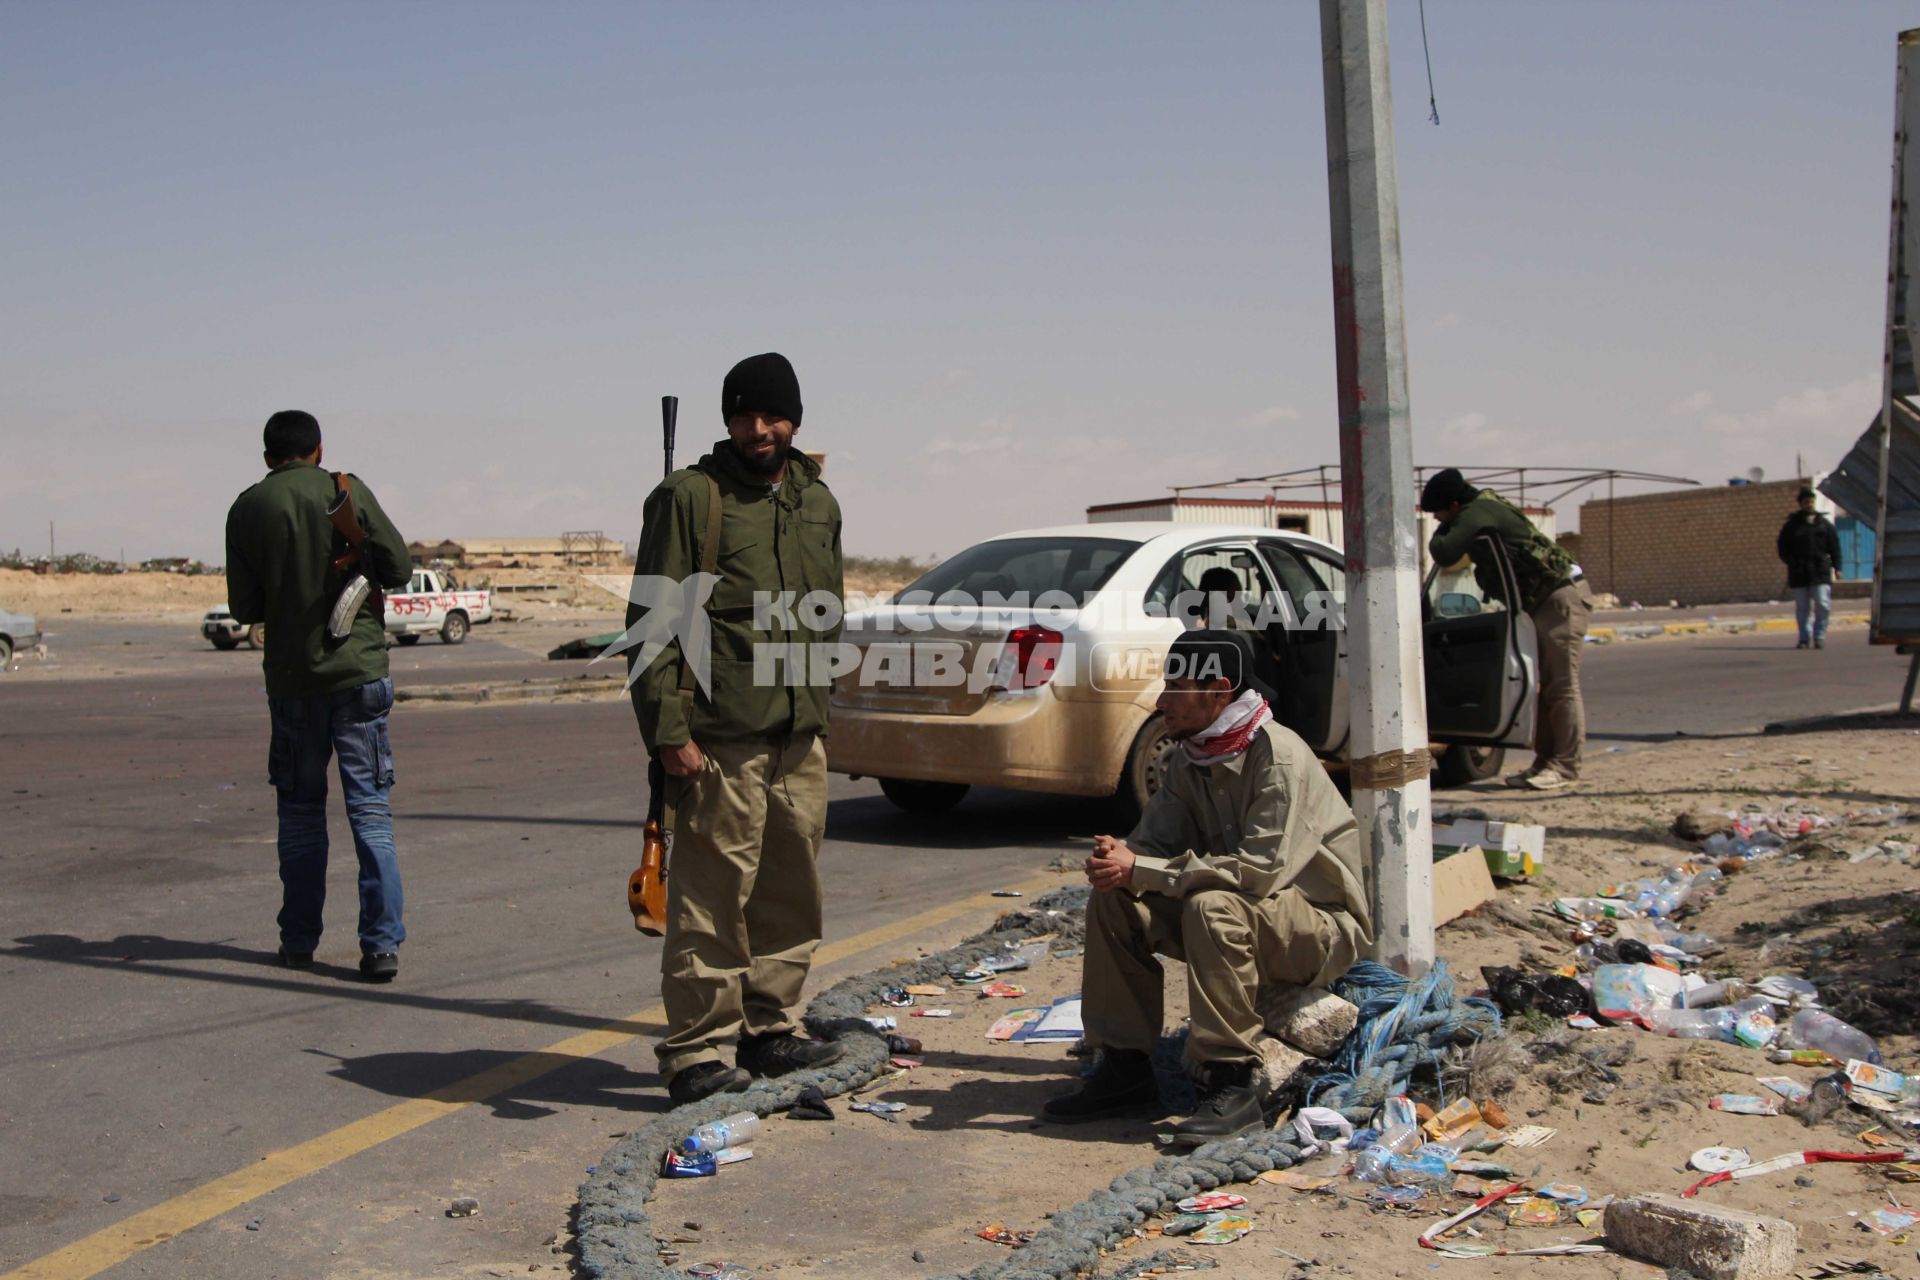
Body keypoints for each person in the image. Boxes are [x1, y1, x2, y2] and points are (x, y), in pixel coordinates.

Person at [1042, 630, 1372, 1145]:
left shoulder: (1277, 756)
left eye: (1175, 688)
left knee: (1213, 905)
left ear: (1219, 690)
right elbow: (1151, 846)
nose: (1161, 701)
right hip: (1245, 916)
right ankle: (1124, 1070)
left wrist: (1144, 870)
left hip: (1318, 929)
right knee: (1116, 900)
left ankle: (1232, 1083)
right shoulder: (1190, 758)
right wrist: (1117, 861)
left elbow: (1259, 874)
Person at [627, 352, 847, 1105]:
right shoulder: (691, 499)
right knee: (710, 900)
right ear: (727, 420)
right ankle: (695, 1052)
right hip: (718, 741)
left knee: (790, 894)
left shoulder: (818, 502)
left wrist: (817, 715)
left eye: (773, 415)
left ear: (796, 419)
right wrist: (666, 731)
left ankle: (771, 1026)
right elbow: (654, 621)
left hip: (798, 737)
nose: (759, 429)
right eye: (745, 416)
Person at [224, 410, 413, 981]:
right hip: (358, 674)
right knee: (371, 814)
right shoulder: (344, 491)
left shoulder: (247, 507)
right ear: (319, 449)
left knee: (301, 815)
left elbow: (244, 609)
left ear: (266, 458)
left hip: (293, 680)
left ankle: (299, 940)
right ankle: (380, 947)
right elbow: (399, 568)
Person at [1420, 468, 1591, 791]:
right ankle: (1544, 763)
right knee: (1541, 690)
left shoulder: (1477, 512)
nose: (1437, 520)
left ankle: (1566, 766)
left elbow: (1444, 551)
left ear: (1454, 506)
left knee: (1561, 688)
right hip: (1538, 603)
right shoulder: (1477, 510)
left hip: (1559, 598)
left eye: (1439, 514)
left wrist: (1445, 528)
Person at [1777, 486, 1842, 650]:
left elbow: (1834, 547)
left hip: (1819, 571)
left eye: (1811, 501)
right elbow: (1782, 547)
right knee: (1802, 608)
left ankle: (1819, 636)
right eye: (1806, 501)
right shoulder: (1792, 526)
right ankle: (1804, 639)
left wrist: (1837, 566)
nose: (1809, 504)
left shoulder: (1823, 524)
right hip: (1799, 573)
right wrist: (1791, 561)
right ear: (1801, 504)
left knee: (1823, 604)